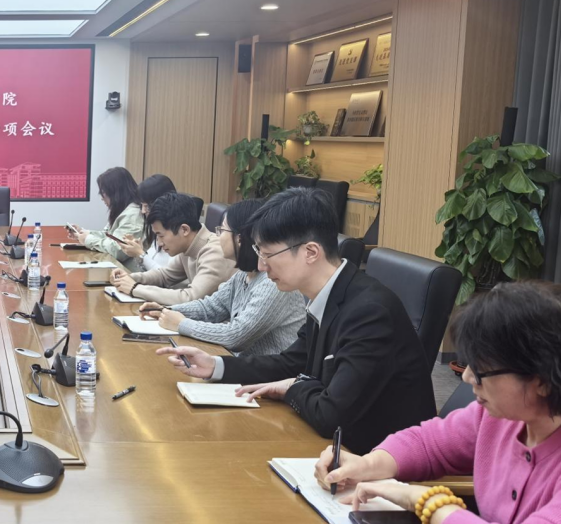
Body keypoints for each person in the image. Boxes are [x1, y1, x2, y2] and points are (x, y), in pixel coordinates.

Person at [315, 281, 561, 524]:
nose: (468, 377)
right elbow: (429, 442)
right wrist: (367, 464)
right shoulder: (499, 417)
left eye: (482, 369)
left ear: (542, 380)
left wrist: (426, 501)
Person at [158, 187, 435, 452]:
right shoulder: (329, 295)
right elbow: (290, 363)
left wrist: (294, 386)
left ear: (310, 252)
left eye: (268, 254)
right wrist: (215, 365)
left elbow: (330, 414)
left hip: (379, 462)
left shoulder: (370, 312)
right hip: (331, 446)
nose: (261, 265)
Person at [148, 197, 305, 355]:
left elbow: (235, 336)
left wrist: (181, 324)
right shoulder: (243, 275)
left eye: (222, 230)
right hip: (242, 364)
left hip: (265, 369)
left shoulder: (272, 282)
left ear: (240, 238)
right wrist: (166, 311)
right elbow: (211, 307)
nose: (218, 237)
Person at [113, 192, 233, 306]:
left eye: (161, 235)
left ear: (184, 230)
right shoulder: (188, 245)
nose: (159, 243)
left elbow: (191, 298)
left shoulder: (215, 252)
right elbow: (164, 276)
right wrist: (129, 278)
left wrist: (135, 288)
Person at [69, 167, 145, 268]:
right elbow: (108, 236)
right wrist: (84, 233)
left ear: (116, 192)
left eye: (103, 193)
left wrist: (88, 239)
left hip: (129, 273)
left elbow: (118, 250)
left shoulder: (132, 215)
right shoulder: (123, 210)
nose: (102, 197)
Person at [112, 173, 177, 274]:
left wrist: (140, 254)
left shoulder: (176, 233)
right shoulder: (155, 228)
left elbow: (168, 277)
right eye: (141, 205)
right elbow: (148, 271)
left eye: (146, 206)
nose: (143, 211)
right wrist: (138, 251)